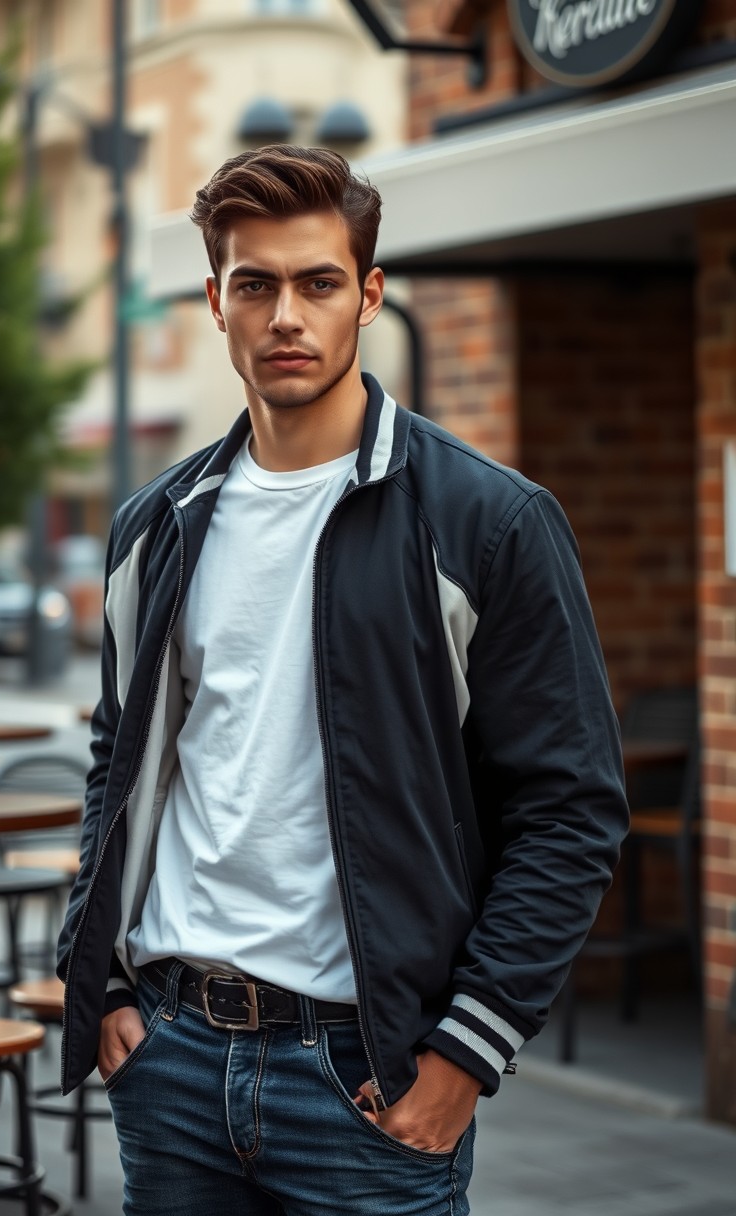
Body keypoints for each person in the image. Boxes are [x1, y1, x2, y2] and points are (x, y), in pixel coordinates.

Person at [58, 144, 628, 1215]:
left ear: (366, 296)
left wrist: (466, 1052)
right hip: (171, 1060)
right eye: (256, 284)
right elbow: (117, 763)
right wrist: (104, 988)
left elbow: (572, 810)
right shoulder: (156, 526)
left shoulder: (487, 521)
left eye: (318, 283)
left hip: (367, 1074)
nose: (286, 315)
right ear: (215, 298)